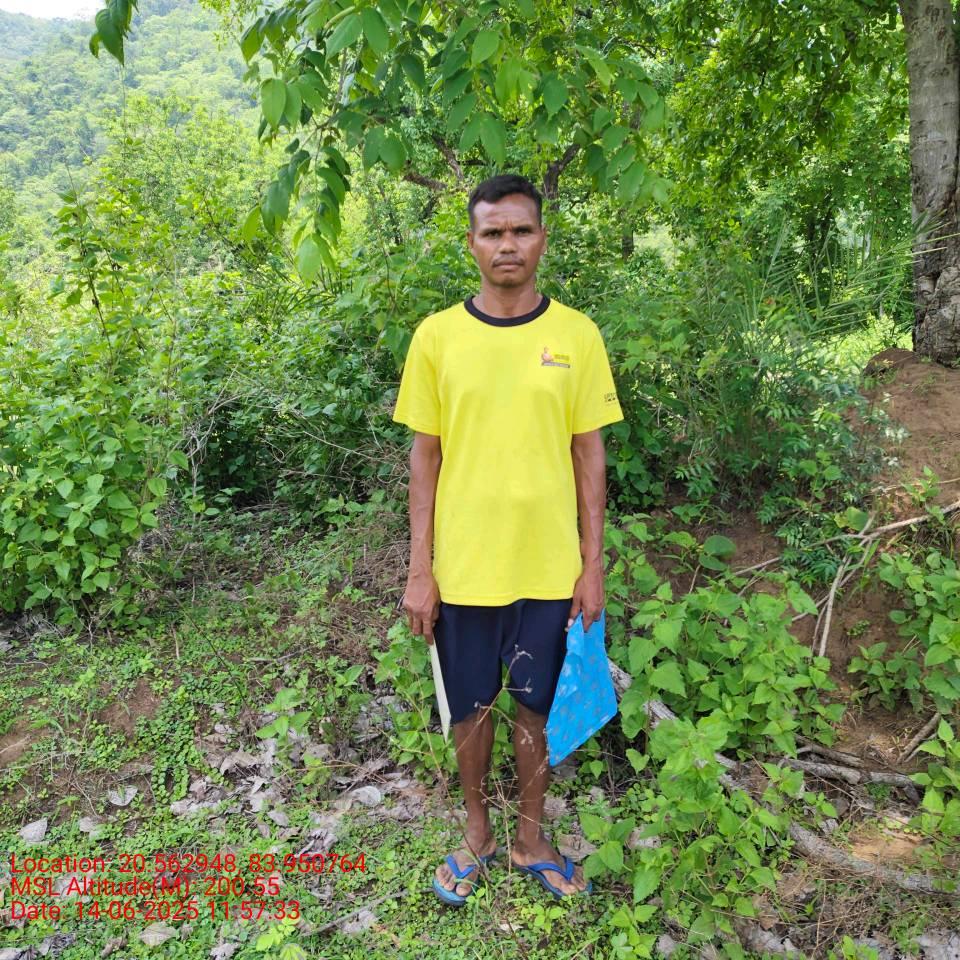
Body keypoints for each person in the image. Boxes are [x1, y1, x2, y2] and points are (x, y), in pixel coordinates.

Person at [392, 173, 623, 904]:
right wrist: (420, 568)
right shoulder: (437, 337)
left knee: (535, 707)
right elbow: (424, 459)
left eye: (521, 230)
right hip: (464, 569)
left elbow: (589, 454)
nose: (508, 245)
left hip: (549, 568)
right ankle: (477, 835)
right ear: (472, 244)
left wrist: (592, 565)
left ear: (542, 239)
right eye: (493, 232)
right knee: (469, 708)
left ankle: (530, 838)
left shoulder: (576, 335)